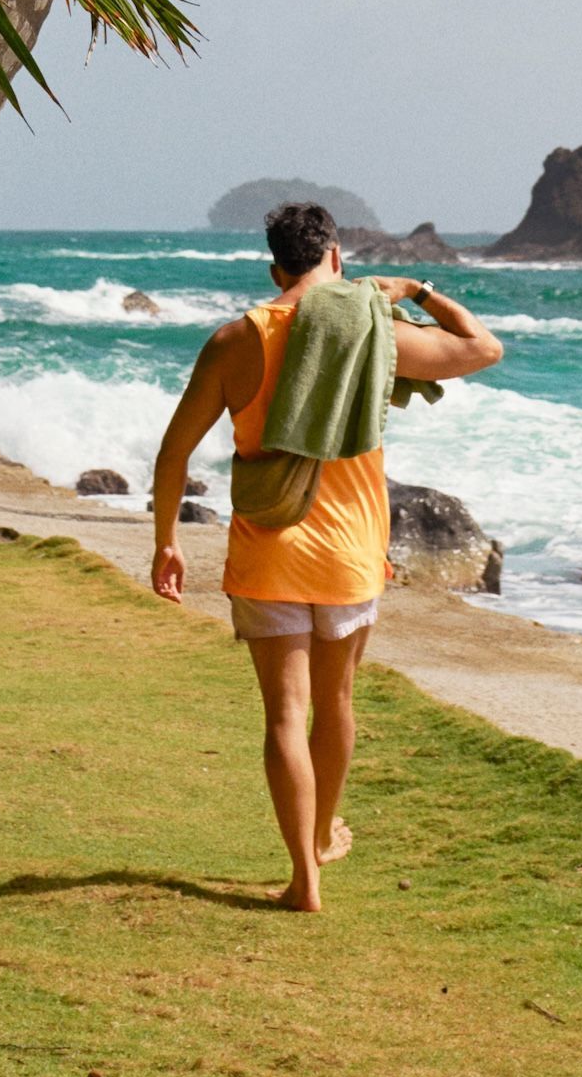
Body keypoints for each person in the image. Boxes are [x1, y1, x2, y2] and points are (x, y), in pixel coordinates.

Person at [150, 198, 502, 912]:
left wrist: (166, 540)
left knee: (285, 713)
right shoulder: (376, 331)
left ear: (275, 266)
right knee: (334, 702)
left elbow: (173, 450)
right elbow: (482, 347)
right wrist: (416, 291)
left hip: (267, 545)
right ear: (336, 258)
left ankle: (302, 882)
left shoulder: (233, 339)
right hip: (349, 548)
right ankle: (317, 840)